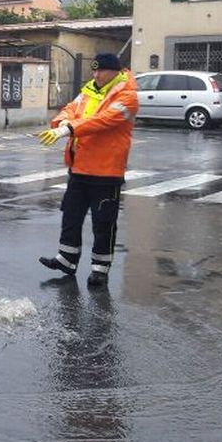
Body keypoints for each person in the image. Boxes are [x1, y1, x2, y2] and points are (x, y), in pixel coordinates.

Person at [37, 53, 139, 287]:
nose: (96, 74)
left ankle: (100, 269)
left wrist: (69, 129)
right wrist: (63, 122)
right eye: (94, 70)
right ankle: (66, 259)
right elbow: (70, 109)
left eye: (101, 70)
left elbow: (104, 120)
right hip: (80, 166)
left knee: (103, 222)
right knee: (71, 215)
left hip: (106, 170)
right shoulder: (89, 90)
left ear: (115, 71)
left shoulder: (128, 96)